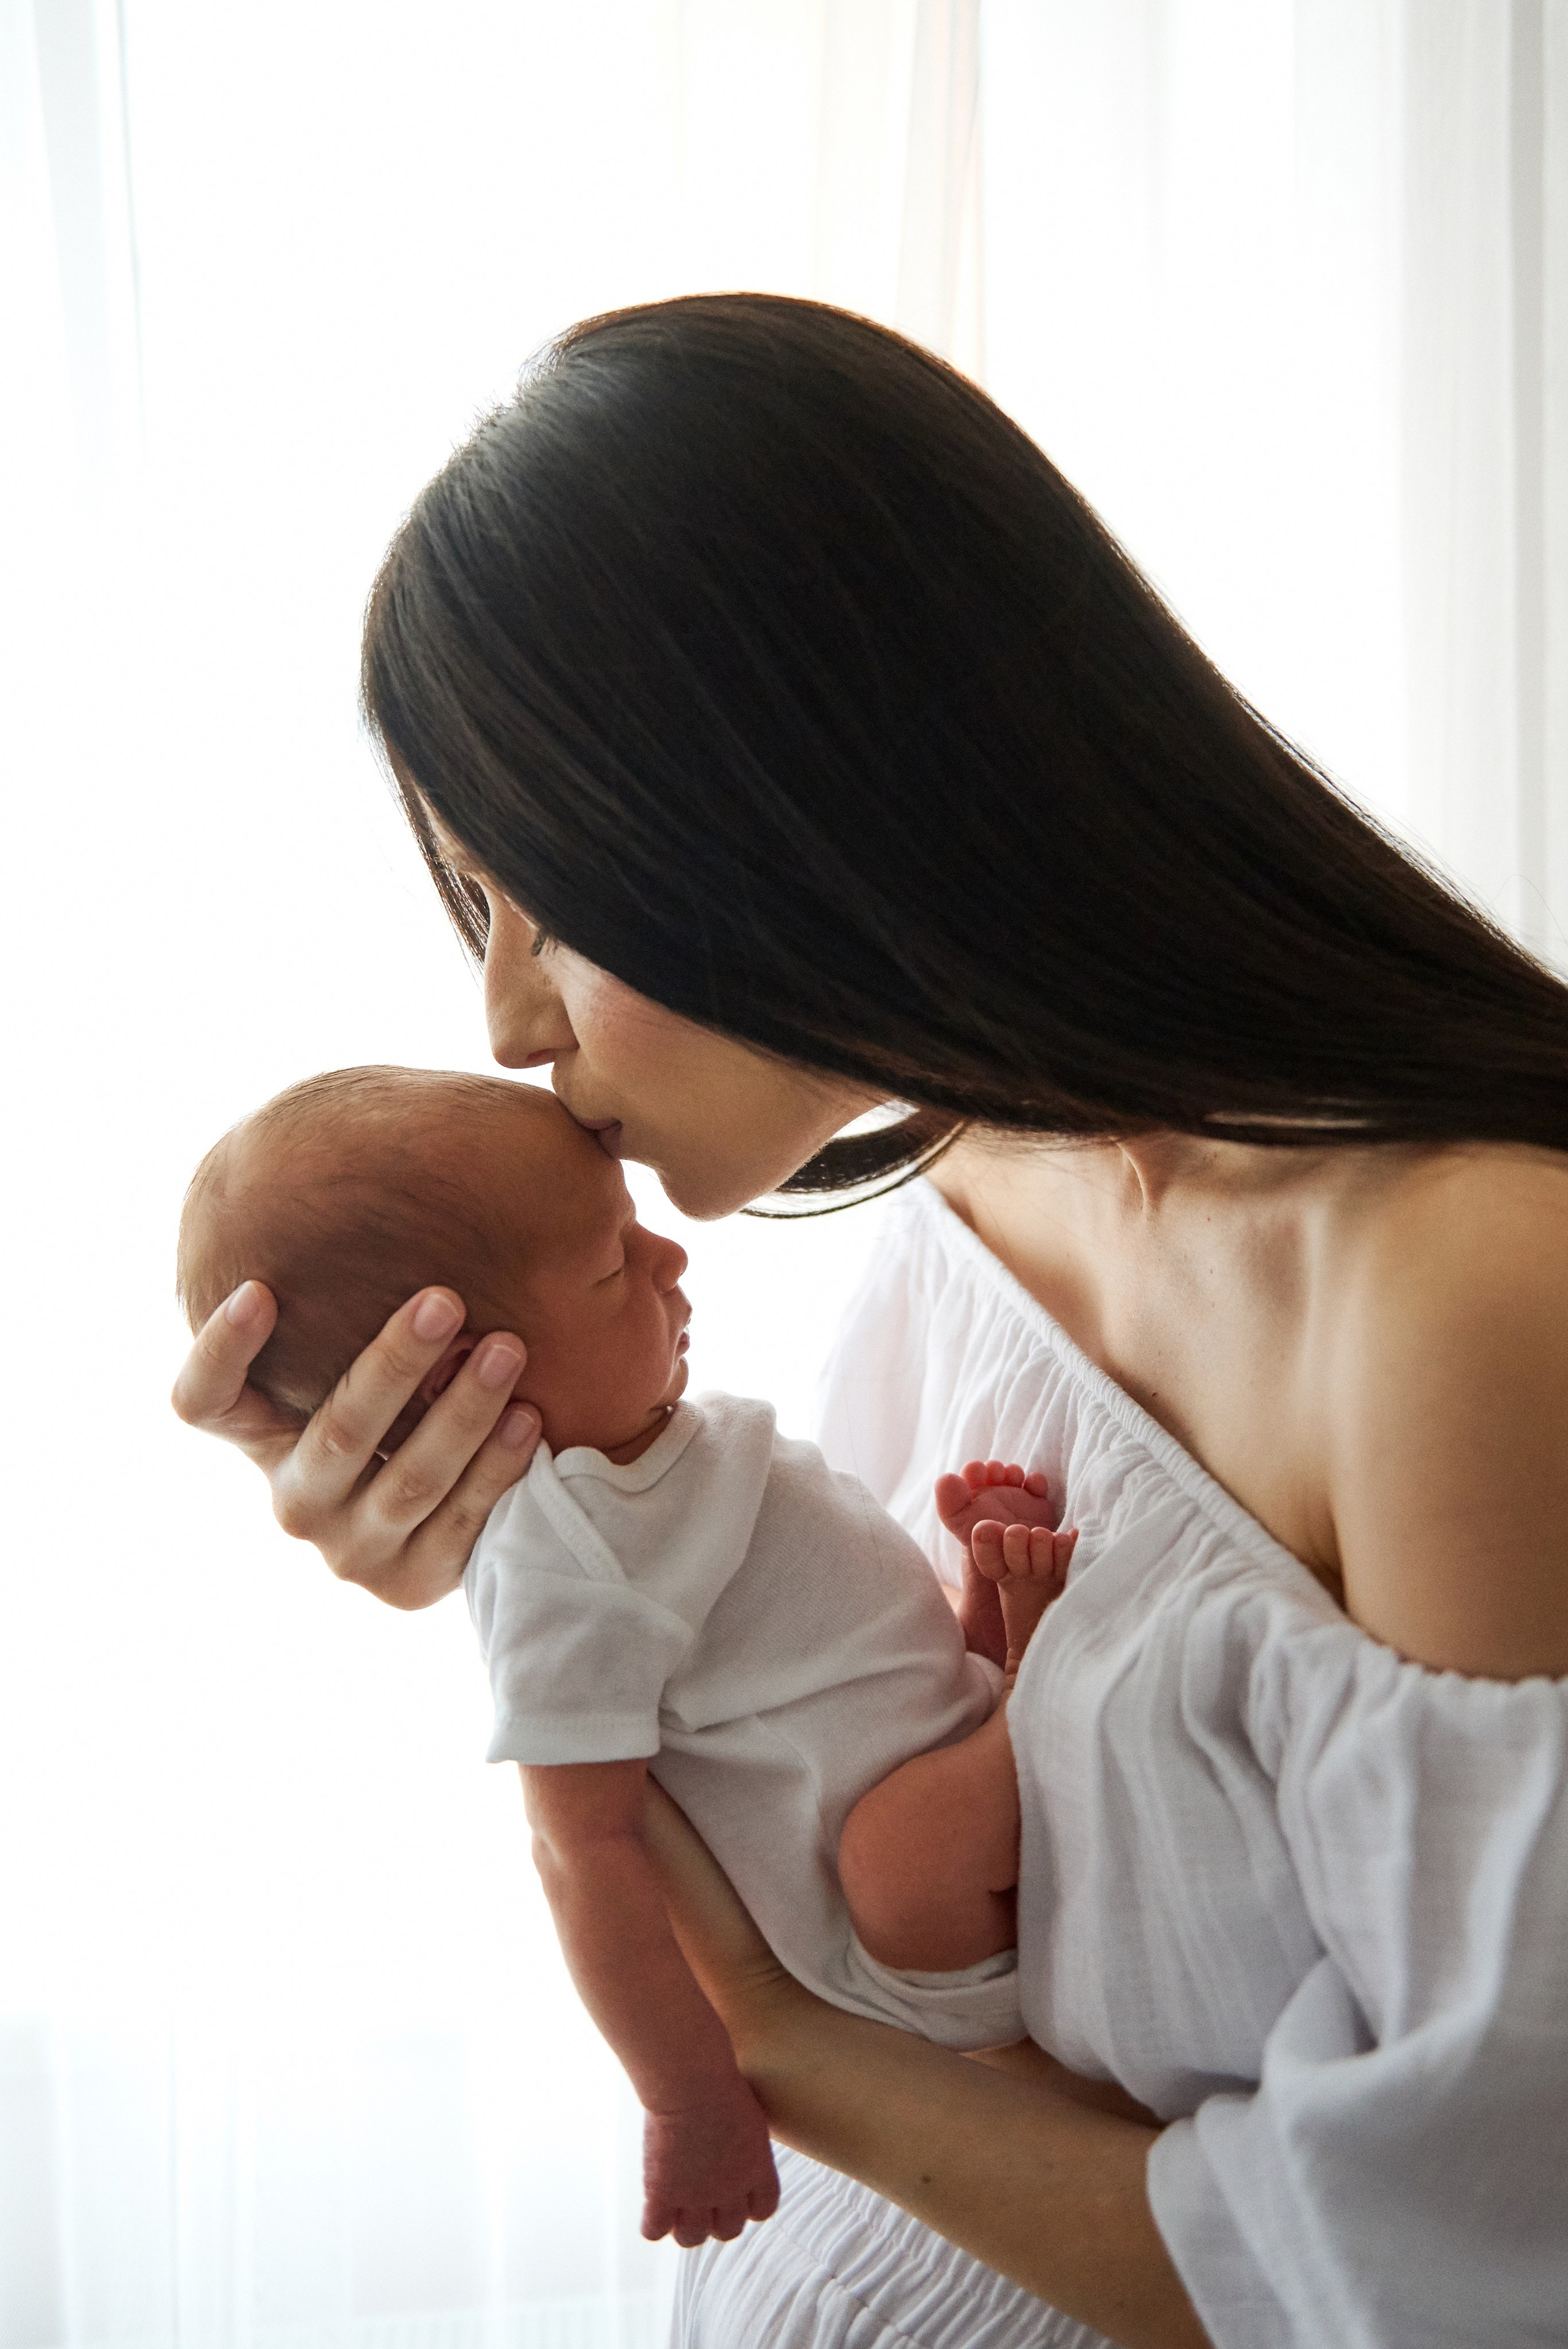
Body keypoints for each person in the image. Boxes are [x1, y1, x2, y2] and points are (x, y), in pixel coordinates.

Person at [172, 295, 1568, 2349]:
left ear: (801, 787)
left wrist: (760, 2044)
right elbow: (871, 1824)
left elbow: (1452, 2267)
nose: (504, 1018)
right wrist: (504, 1531)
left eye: (534, 893)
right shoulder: (967, 1190)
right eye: (474, 912)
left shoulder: (1465, 1298)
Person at [175, 1064, 1076, 2245]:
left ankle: (996, 1661)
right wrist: (690, 2094)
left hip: (912, 1734)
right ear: (462, 1378)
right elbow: (580, 1850)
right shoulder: (564, 1559)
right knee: (901, 1852)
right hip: (903, 1945)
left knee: (903, 1744)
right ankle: (1040, 1680)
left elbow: (839, 1663)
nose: (670, 1263)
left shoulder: (649, 1457)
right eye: (613, 1268)